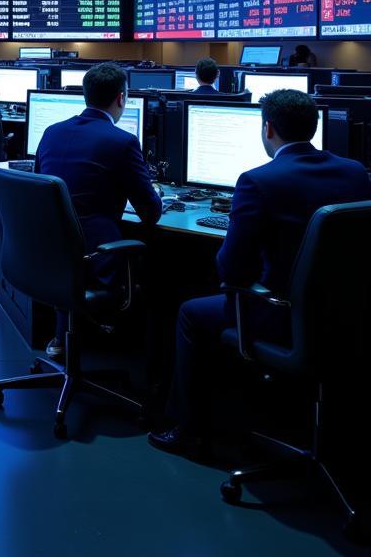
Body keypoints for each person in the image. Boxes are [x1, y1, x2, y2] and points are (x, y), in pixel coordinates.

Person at [149, 90, 371, 456]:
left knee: (190, 311)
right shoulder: (355, 173)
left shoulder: (258, 180)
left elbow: (231, 269)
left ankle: (188, 429)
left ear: (268, 129)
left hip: (283, 314)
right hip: (348, 312)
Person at [35, 62, 162, 359]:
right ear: (122, 98)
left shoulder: (51, 132)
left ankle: (63, 335)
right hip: (96, 253)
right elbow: (150, 214)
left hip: (45, 253)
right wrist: (153, 190)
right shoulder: (123, 141)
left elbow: (43, 188)